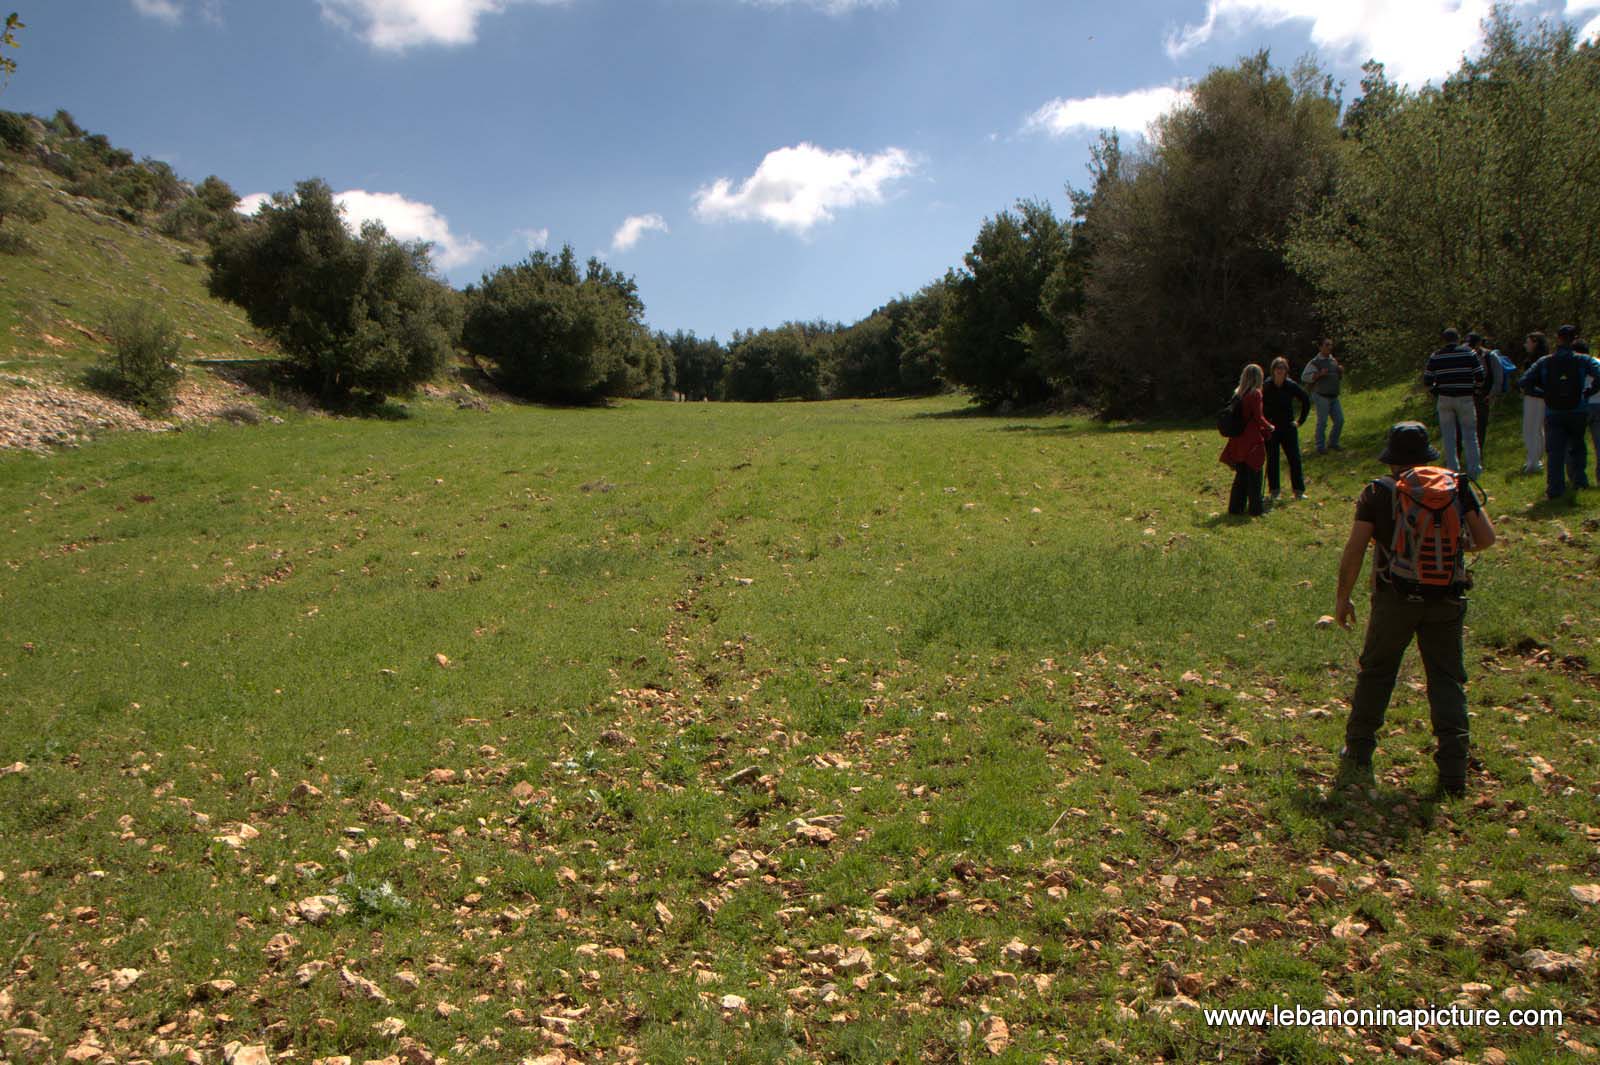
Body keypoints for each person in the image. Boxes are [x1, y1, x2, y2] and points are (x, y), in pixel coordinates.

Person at [1335, 422, 1496, 798]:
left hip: (1396, 598)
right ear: (1427, 455)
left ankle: (1358, 753)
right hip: (1447, 598)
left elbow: (1356, 548)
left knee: (1377, 672)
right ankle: (1454, 772)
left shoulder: (1379, 491)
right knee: (1446, 679)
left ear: (1391, 458)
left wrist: (1343, 598)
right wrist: (1446, 547)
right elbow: (1486, 538)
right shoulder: (1457, 486)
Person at [1519, 325, 1600, 498]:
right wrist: (1589, 392)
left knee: (1554, 452)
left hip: (1553, 411)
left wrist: (1543, 394)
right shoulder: (1584, 360)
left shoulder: (1545, 361)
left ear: (1558, 338)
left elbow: (1524, 381)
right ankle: (1579, 482)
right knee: (1577, 447)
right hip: (1577, 409)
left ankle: (1555, 488)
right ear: (1575, 338)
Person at [1423, 328, 1484, 480]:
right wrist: (1474, 389)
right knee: (1470, 435)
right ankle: (1474, 470)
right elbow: (1480, 375)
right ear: (1458, 339)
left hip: (1445, 398)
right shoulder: (1469, 353)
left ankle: (1452, 469)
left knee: (1449, 436)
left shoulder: (1436, 356)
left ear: (1443, 340)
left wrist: (1437, 391)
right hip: (1465, 397)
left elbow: (1428, 380)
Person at [1220, 363, 1274, 516]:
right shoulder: (1255, 394)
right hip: (1252, 440)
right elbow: (1258, 417)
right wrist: (1270, 427)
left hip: (1238, 439)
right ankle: (1255, 509)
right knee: (1255, 474)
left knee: (1241, 475)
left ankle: (1235, 508)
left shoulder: (1238, 394)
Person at [1261, 356, 1310, 500]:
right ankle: (1274, 491)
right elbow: (1259, 404)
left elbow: (1305, 400)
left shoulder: (1290, 385)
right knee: (1272, 459)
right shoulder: (1267, 385)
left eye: (1282, 368)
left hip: (1288, 427)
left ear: (1286, 370)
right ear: (1273, 370)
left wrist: (1300, 421)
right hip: (1271, 428)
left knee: (1294, 458)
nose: (1280, 371)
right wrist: (1263, 423)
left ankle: (1298, 490)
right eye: (1277, 368)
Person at [1301, 338, 1344, 453]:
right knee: (1323, 422)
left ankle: (1333, 443)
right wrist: (1319, 374)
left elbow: (1337, 377)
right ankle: (1320, 446)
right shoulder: (1315, 362)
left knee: (1340, 420)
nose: (1329, 347)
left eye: (1330, 345)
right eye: (1326, 345)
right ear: (1320, 347)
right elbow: (1304, 377)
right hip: (1321, 395)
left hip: (1334, 395)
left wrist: (1340, 372)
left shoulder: (1333, 361)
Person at [1520, 332, 1549, 474]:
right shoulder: (1547, 359)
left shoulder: (1534, 361)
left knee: (1530, 429)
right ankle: (1536, 459)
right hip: (1543, 396)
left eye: (1528, 341)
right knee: (1538, 430)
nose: (1526, 344)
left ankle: (1533, 462)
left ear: (1535, 342)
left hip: (1534, 396)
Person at [1465, 332, 1496, 463]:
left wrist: (1492, 394)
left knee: (1480, 426)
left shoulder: (1489, 356)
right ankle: (1469, 456)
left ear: (1479, 343)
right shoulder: (1464, 354)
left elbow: (1497, 376)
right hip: (1467, 396)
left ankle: (1478, 455)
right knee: (1467, 427)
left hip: (1483, 396)